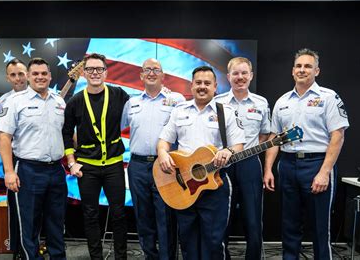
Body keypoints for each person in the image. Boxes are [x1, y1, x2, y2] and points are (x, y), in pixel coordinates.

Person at [263, 48, 349, 259]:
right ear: (293, 71)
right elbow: (274, 138)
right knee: (289, 225)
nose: (302, 70)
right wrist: (268, 169)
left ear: (317, 71)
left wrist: (324, 172)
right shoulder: (283, 101)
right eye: (299, 66)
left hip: (317, 164)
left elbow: (338, 136)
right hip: (288, 165)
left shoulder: (329, 97)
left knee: (321, 228)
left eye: (308, 66)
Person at [157, 66, 245, 259]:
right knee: (187, 240)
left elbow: (238, 145)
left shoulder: (226, 112)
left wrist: (227, 151)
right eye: (198, 83)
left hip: (215, 184)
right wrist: (163, 153)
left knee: (214, 241)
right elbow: (164, 140)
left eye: (207, 83)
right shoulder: (179, 111)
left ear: (215, 87)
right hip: (184, 186)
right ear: (191, 85)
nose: (202, 87)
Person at [0, 58, 67, 259]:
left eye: (44, 73)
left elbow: (65, 135)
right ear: (28, 76)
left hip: (56, 171)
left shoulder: (59, 102)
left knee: (56, 223)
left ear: (50, 76)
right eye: (35, 73)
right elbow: (4, 137)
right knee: (28, 225)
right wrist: (9, 172)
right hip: (28, 170)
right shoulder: (15, 102)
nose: (40, 77)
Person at [63, 53, 129, 260]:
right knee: (90, 215)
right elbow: (65, 133)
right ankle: (96, 257)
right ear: (83, 73)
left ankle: (121, 257)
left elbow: (139, 112)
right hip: (87, 169)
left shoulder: (120, 95)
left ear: (106, 72)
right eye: (90, 69)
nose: (94, 73)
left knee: (118, 214)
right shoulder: (75, 101)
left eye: (99, 69)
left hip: (114, 167)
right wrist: (72, 163)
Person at [121, 58, 184, 259]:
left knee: (165, 218)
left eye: (156, 69)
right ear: (140, 75)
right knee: (143, 217)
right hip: (138, 166)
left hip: (166, 165)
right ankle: (150, 256)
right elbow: (117, 129)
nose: (151, 73)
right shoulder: (132, 102)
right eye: (147, 70)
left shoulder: (177, 100)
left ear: (163, 75)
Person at [215, 57, 270, 259]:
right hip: (223, 165)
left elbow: (265, 134)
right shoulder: (217, 102)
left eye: (244, 73)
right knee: (223, 218)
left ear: (251, 76)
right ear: (228, 77)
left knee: (253, 219)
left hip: (250, 164)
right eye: (236, 73)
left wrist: (249, 149)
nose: (240, 77)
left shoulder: (261, 103)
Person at [0, 58, 28, 258]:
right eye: (13, 74)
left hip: (37, 159)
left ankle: (40, 246)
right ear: (8, 78)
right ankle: (17, 250)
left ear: (28, 74)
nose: (18, 78)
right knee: (16, 208)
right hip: (15, 158)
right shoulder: (3, 102)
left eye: (21, 73)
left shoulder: (44, 95)